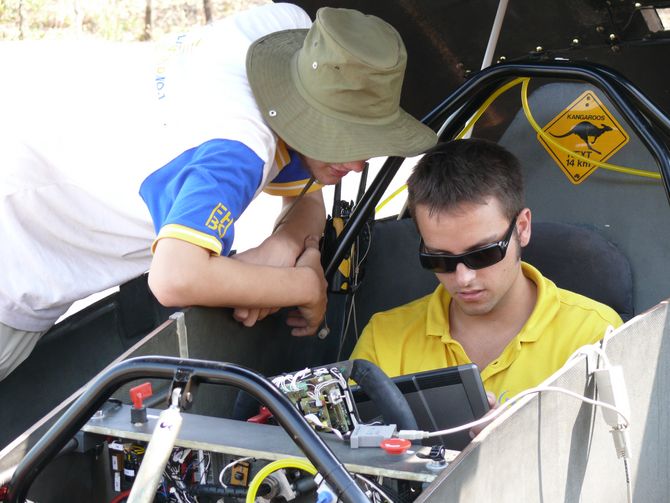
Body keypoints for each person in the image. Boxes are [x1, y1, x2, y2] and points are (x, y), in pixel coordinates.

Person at [0, 4, 437, 381]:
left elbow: (304, 195)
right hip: (17, 265)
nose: (359, 164)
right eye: (344, 139)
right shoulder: (237, 148)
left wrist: (279, 249)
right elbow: (175, 277)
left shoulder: (285, 35)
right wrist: (302, 286)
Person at [350, 139, 622, 403]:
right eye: (439, 259)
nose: (463, 278)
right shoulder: (384, 337)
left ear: (523, 228)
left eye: (483, 254)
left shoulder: (594, 335)